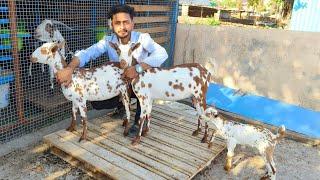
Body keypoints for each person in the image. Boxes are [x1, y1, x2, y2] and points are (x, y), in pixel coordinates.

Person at [56, 4, 168, 136]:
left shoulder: (143, 39)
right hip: (121, 81)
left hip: (138, 82)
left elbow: (162, 53)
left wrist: (138, 68)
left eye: (126, 22)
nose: (122, 27)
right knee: (98, 102)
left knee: (141, 81)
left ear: (132, 23)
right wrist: (69, 68)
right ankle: (121, 106)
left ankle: (139, 120)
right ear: (112, 25)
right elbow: (87, 53)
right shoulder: (108, 41)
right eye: (117, 23)